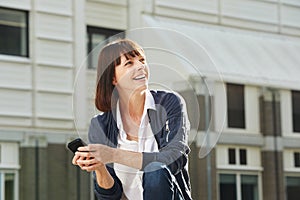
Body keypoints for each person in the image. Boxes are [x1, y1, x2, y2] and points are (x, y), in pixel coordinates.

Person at [72, 39, 192, 200]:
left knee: (155, 169)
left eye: (142, 60)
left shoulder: (169, 102)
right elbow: (109, 196)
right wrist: (100, 167)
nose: (140, 66)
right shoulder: (100, 125)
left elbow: (174, 158)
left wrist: (113, 155)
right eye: (129, 63)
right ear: (113, 78)